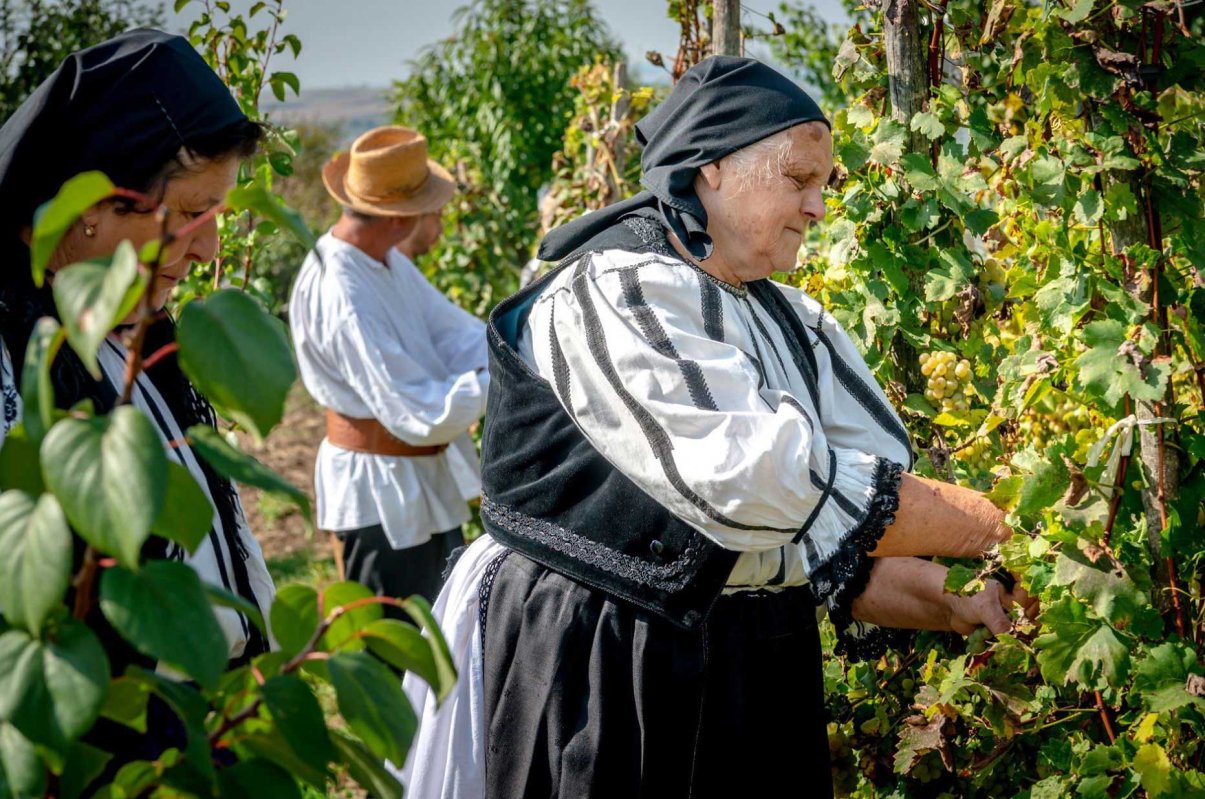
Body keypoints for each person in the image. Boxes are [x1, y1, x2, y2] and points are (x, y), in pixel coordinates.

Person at [399, 56, 1035, 798]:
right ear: (712, 171)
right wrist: (994, 530)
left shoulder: (794, 321)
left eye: (824, 185)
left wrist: (957, 597)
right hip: (603, 656)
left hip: (757, 660)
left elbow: (843, 537)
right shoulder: (615, 290)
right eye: (799, 180)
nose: (818, 208)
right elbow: (764, 480)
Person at [0, 29, 275, 762]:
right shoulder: (16, 357)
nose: (210, 248)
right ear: (94, 198)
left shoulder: (139, 340)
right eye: (188, 214)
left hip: (189, 734)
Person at [289, 126, 488, 607]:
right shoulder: (343, 289)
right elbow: (420, 412)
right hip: (381, 497)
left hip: (416, 485)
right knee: (395, 656)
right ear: (401, 219)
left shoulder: (382, 262)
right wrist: (504, 378)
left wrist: (512, 348)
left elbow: (456, 334)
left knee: (441, 645)